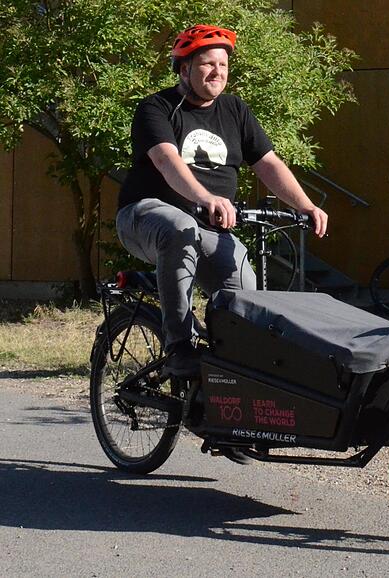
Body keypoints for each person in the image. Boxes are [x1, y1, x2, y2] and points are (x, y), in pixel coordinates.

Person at [116, 24, 328, 376]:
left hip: (207, 227)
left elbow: (269, 163)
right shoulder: (156, 107)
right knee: (179, 226)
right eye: (207, 64)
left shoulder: (234, 110)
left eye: (224, 66)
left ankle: (233, 373)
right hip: (144, 215)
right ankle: (179, 346)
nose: (218, 72)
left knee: (243, 289)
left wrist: (304, 205)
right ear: (184, 69)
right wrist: (206, 197)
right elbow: (168, 161)